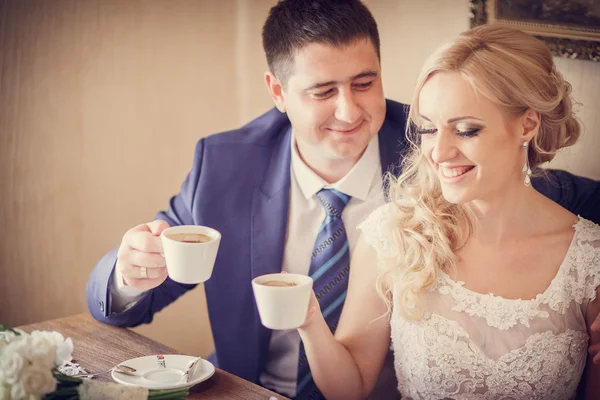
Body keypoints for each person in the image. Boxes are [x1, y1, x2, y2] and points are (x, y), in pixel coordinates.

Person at [86, 1, 600, 398]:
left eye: (364, 82)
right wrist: (130, 273)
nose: (350, 110)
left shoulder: (435, 143)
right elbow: (125, 306)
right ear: (277, 91)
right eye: (323, 91)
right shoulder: (225, 165)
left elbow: (551, 201)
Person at [296, 24, 600, 400]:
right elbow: (350, 388)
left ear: (527, 124)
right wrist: (307, 319)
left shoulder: (589, 260)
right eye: (428, 130)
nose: (438, 152)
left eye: (467, 130)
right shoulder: (394, 233)